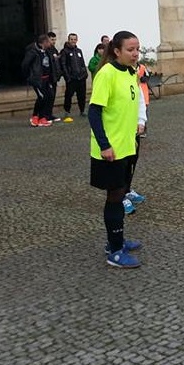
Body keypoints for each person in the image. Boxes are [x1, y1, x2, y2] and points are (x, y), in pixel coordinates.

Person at [88, 31, 147, 268]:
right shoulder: (106, 74)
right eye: (130, 50)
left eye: (137, 50)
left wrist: (138, 124)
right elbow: (94, 112)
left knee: (121, 194)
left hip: (127, 145)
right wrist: (104, 145)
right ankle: (114, 251)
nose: (135, 54)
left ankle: (117, 239)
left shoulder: (131, 72)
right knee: (114, 197)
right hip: (110, 149)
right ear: (117, 51)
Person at [22, 34, 55, 127]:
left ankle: (42, 117)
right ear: (44, 42)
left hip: (47, 78)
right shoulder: (32, 52)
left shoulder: (47, 51)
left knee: (49, 96)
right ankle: (35, 116)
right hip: (37, 79)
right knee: (42, 97)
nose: (50, 43)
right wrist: (30, 76)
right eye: (48, 41)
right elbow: (25, 65)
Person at [60, 33, 89, 117]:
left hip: (81, 77)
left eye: (74, 39)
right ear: (68, 40)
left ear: (77, 40)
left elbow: (82, 63)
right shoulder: (64, 51)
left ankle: (82, 110)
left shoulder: (79, 51)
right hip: (71, 78)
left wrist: (85, 73)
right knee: (68, 95)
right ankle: (67, 111)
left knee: (82, 95)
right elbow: (63, 64)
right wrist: (67, 77)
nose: (73, 41)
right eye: (71, 39)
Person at [46, 31, 63, 122]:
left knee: (52, 97)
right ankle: (45, 115)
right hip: (48, 77)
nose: (53, 42)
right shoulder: (46, 50)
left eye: (54, 40)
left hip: (55, 77)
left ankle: (50, 114)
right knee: (49, 96)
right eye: (52, 40)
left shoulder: (53, 49)